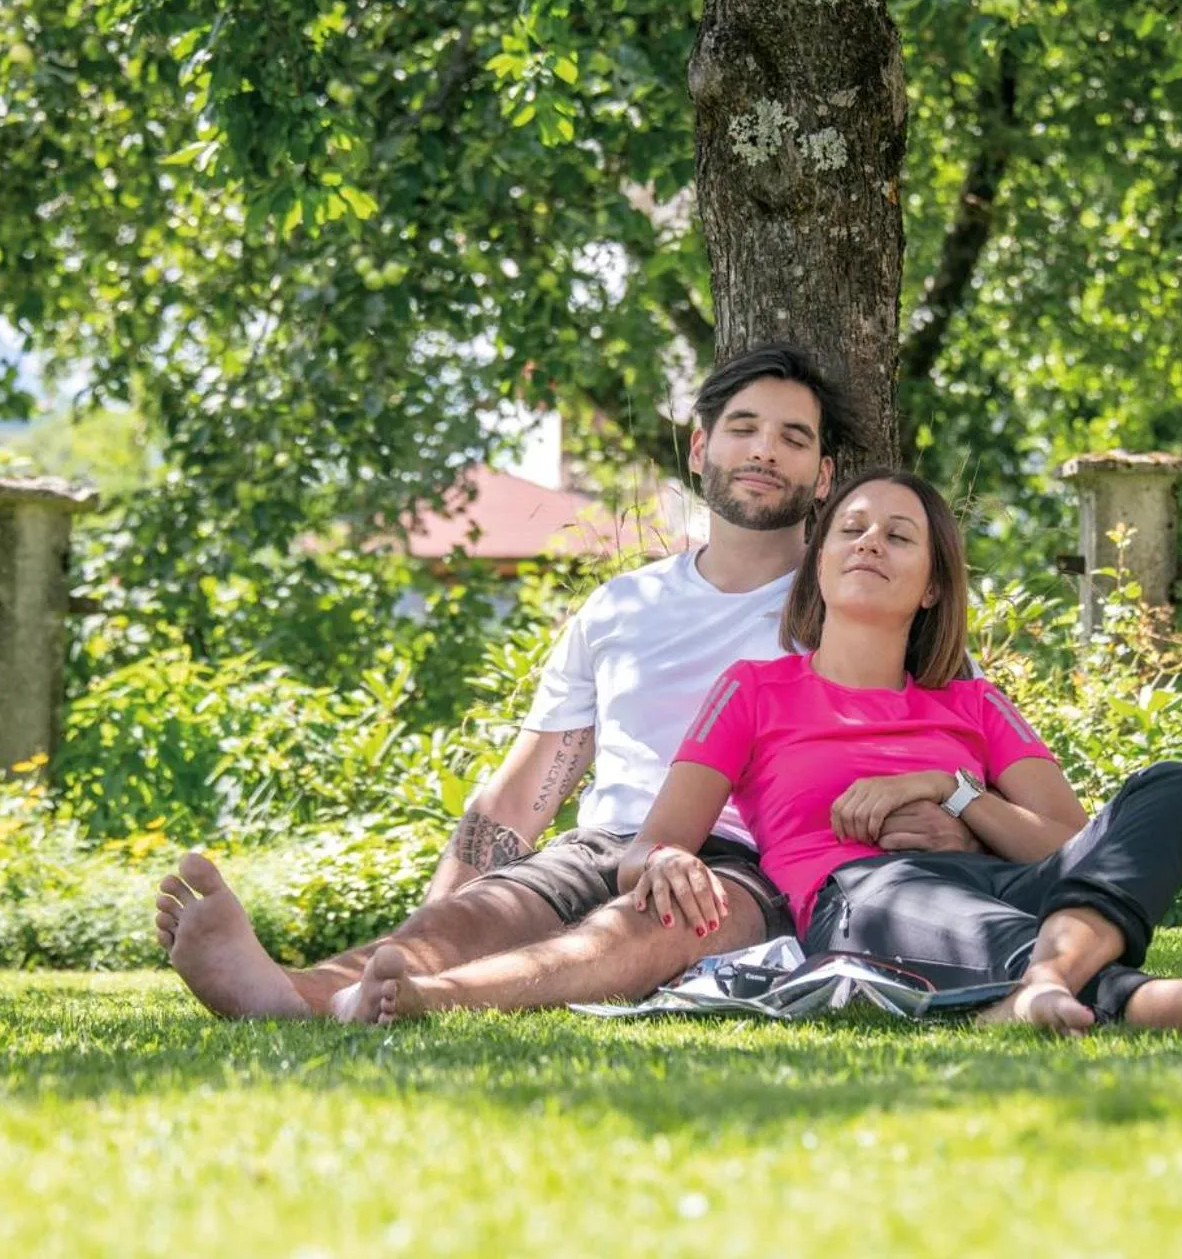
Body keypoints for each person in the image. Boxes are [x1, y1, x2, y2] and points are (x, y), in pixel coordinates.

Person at [348, 470, 1182, 1035]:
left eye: (900, 535)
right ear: (822, 560)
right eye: (851, 528)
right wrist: (660, 864)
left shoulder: (974, 701)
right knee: (909, 901)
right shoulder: (755, 691)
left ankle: (1047, 986)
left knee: (1173, 787)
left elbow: (1067, 842)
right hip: (864, 889)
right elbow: (657, 842)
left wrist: (954, 788)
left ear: (932, 582)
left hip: (1014, 877)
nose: (870, 543)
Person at [152, 345, 980, 1019]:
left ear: (825, 477)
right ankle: (293, 992)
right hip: (606, 841)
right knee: (478, 916)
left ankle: (424, 1002)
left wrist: (957, 826)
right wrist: (428, 920)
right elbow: (521, 798)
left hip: (749, 858)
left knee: (647, 922)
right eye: (743, 428)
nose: (765, 450)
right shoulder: (622, 605)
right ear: (701, 450)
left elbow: (954, 746)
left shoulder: (861, 596)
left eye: (794, 438)